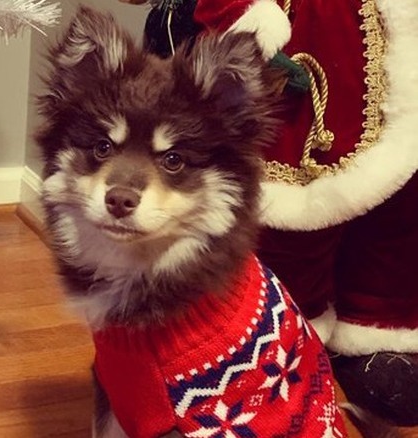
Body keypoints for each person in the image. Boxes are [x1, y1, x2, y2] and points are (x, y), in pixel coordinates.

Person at [120, 0, 418, 426]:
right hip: (307, 48)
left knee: (400, 217)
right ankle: (281, 343)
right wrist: (242, 19)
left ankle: (378, 329)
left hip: (404, 56)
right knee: (293, 226)